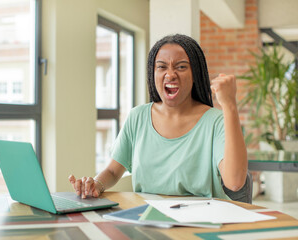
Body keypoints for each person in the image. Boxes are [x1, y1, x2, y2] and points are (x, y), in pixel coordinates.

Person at [69, 34, 247, 200]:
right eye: (162, 67)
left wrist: (229, 105)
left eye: (181, 67)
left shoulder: (215, 121)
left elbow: (235, 182)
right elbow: (113, 172)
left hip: (201, 223)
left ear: (195, 75)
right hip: (148, 219)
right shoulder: (137, 117)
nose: (170, 74)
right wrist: (97, 184)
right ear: (152, 74)